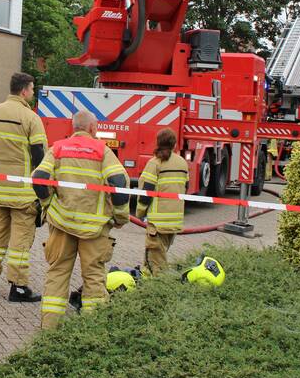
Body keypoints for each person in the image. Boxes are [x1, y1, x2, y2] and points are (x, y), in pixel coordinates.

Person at [32, 111, 129, 329]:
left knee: (56, 275)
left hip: (62, 224)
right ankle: (90, 334)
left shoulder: (57, 149)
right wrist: (121, 216)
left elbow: (39, 179)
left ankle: (49, 330)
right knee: (94, 279)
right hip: (93, 230)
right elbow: (119, 184)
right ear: (93, 128)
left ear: (73, 127)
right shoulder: (103, 151)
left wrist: (48, 205)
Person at [0, 73, 47, 301]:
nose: (33, 92)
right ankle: (18, 287)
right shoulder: (31, 117)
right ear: (24, 91)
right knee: (20, 242)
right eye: (32, 88)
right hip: (23, 193)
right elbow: (39, 155)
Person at [136, 128, 189, 275]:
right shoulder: (183, 163)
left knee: (154, 266)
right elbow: (186, 187)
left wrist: (140, 212)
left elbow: (146, 192)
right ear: (174, 144)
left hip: (157, 224)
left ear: (158, 143)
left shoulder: (155, 163)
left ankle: (158, 290)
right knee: (156, 259)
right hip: (174, 222)